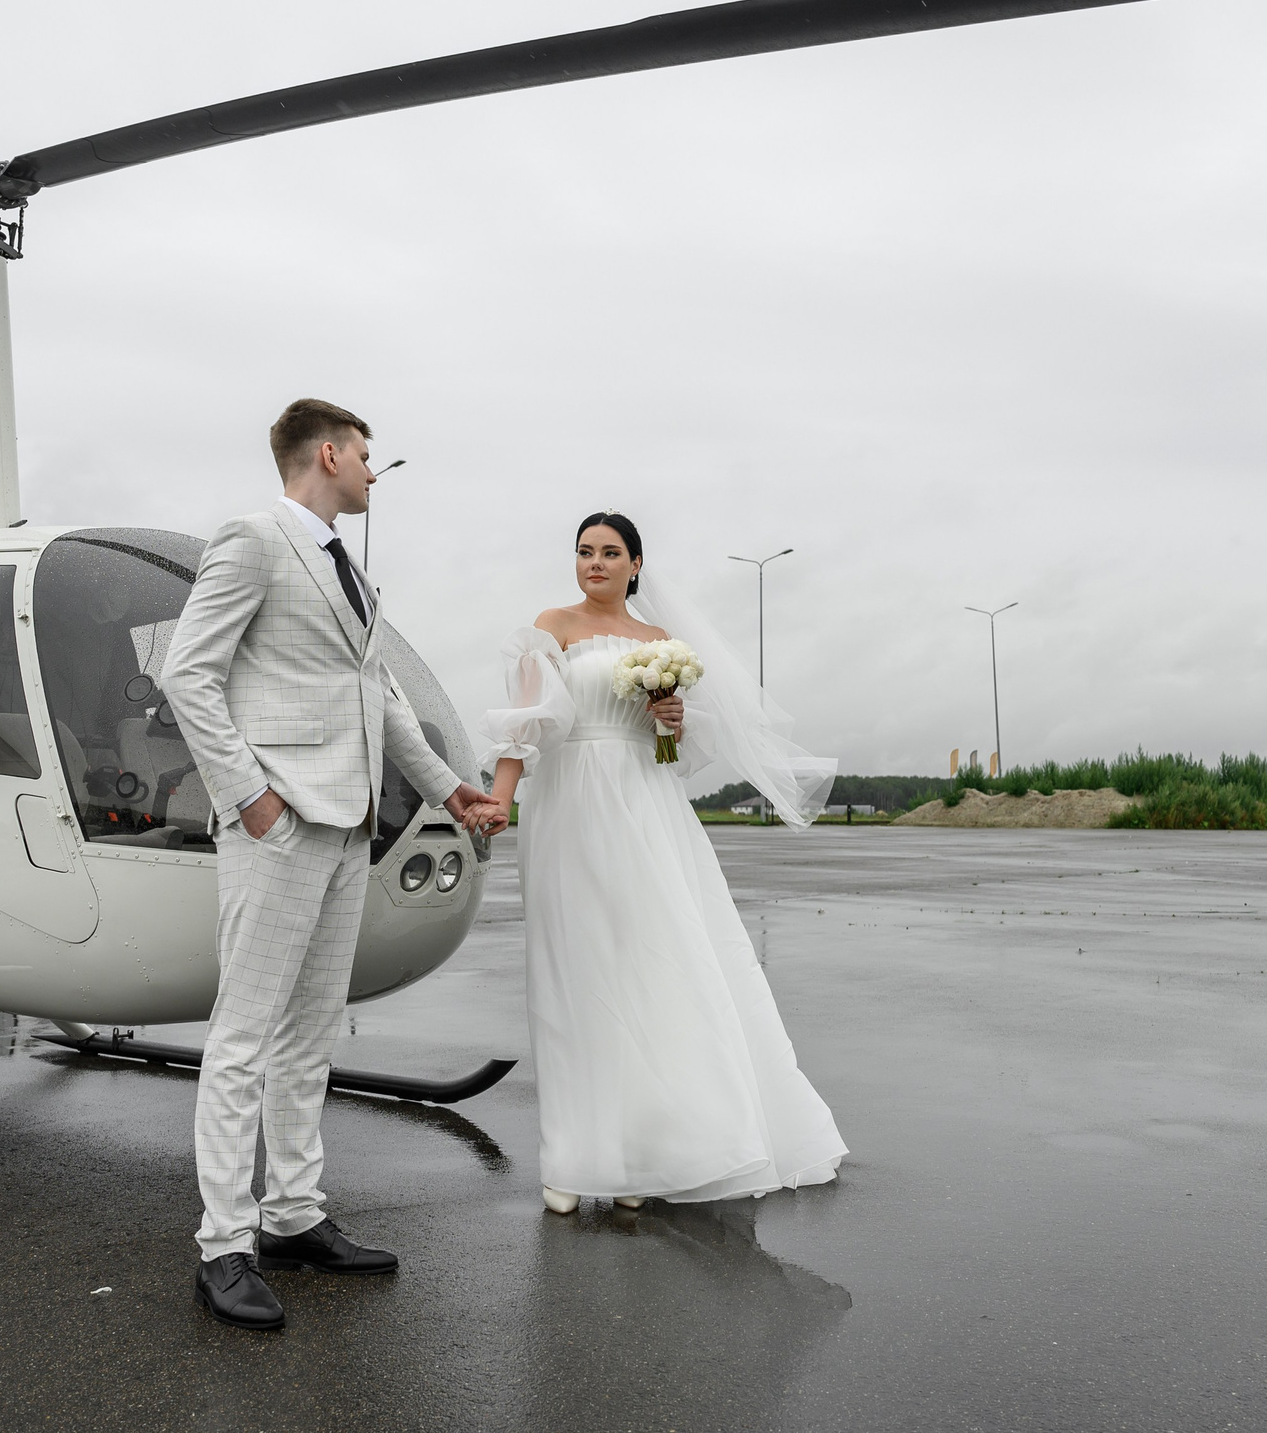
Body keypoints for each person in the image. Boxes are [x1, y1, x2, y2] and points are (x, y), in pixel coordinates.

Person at [163, 397, 507, 1332]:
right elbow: (187, 672)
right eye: (363, 454)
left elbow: (380, 697)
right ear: (327, 453)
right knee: (243, 1036)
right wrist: (249, 795)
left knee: (310, 1032)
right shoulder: (253, 539)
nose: (370, 470)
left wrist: (452, 791)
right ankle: (223, 1246)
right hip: (278, 823)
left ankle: (293, 1215)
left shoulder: (344, 565)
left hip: (347, 825)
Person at [484, 511, 846, 1215]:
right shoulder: (551, 626)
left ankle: (645, 1158)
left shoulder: (660, 644)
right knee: (573, 972)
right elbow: (525, 725)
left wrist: (669, 725)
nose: (594, 562)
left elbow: (670, 755)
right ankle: (573, 1156)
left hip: (646, 806)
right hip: (568, 808)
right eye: (584, 550)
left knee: (649, 968)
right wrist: (500, 800)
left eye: (609, 551)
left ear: (636, 564)